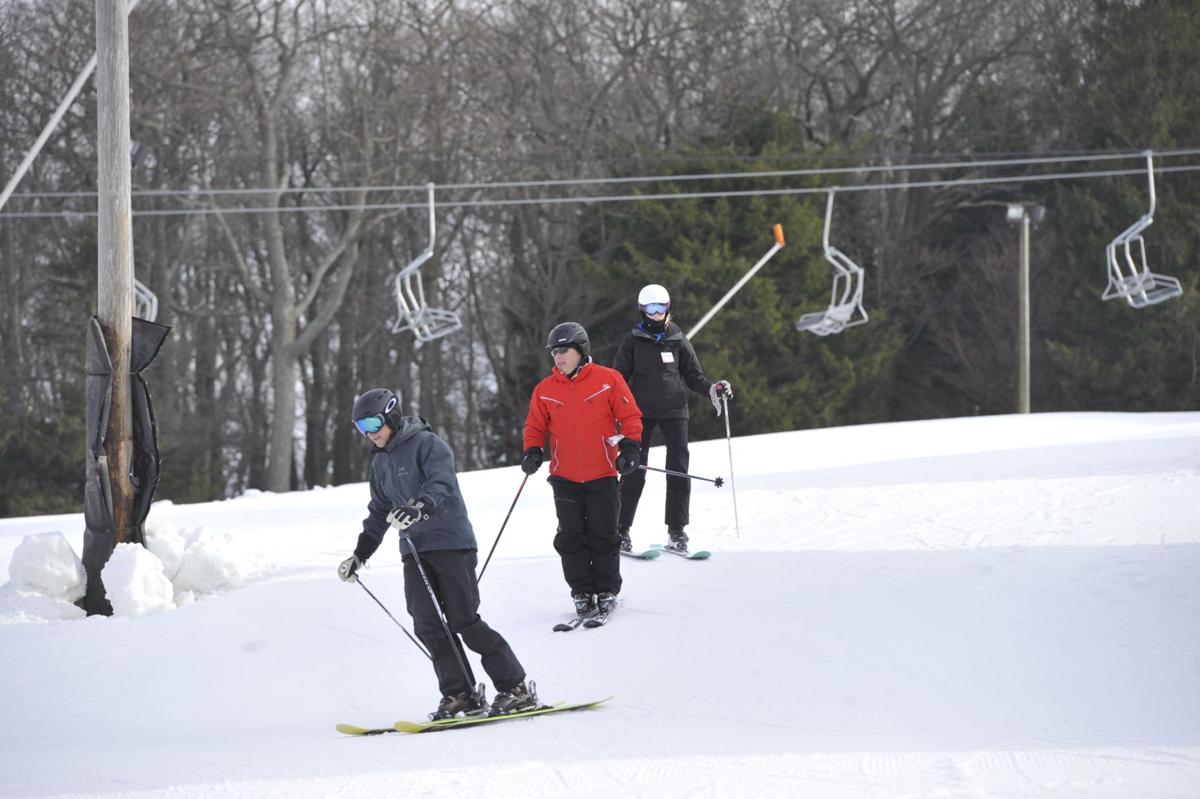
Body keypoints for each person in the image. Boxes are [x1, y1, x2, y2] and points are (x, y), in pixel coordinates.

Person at [338, 387, 534, 719]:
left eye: (372, 424)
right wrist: (360, 554)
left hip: (450, 542)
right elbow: (377, 513)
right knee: (427, 623)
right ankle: (461, 694)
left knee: (463, 620)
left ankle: (515, 688)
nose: (369, 434)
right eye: (361, 428)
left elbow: (441, 484)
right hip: (413, 550)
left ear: (391, 416)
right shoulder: (380, 464)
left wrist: (418, 508)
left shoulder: (428, 445)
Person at [521, 322, 643, 618]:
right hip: (565, 477)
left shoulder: (608, 380)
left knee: (603, 534)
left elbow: (630, 417)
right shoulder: (545, 390)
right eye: (554, 352)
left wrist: (629, 448)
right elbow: (535, 426)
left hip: (602, 473)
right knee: (571, 536)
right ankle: (581, 591)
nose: (558, 358)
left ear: (580, 350)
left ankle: (606, 590)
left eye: (563, 351)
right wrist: (533, 450)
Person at [611, 284, 733, 552]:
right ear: (643, 311)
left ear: (668, 308)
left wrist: (713, 389)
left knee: (678, 470)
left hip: (675, 411)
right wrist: (614, 410)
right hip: (639, 414)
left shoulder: (677, 338)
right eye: (651, 309)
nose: (657, 314)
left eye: (661, 308)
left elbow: (694, 376)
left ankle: (676, 532)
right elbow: (617, 379)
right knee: (634, 470)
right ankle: (621, 530)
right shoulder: (633, 340)